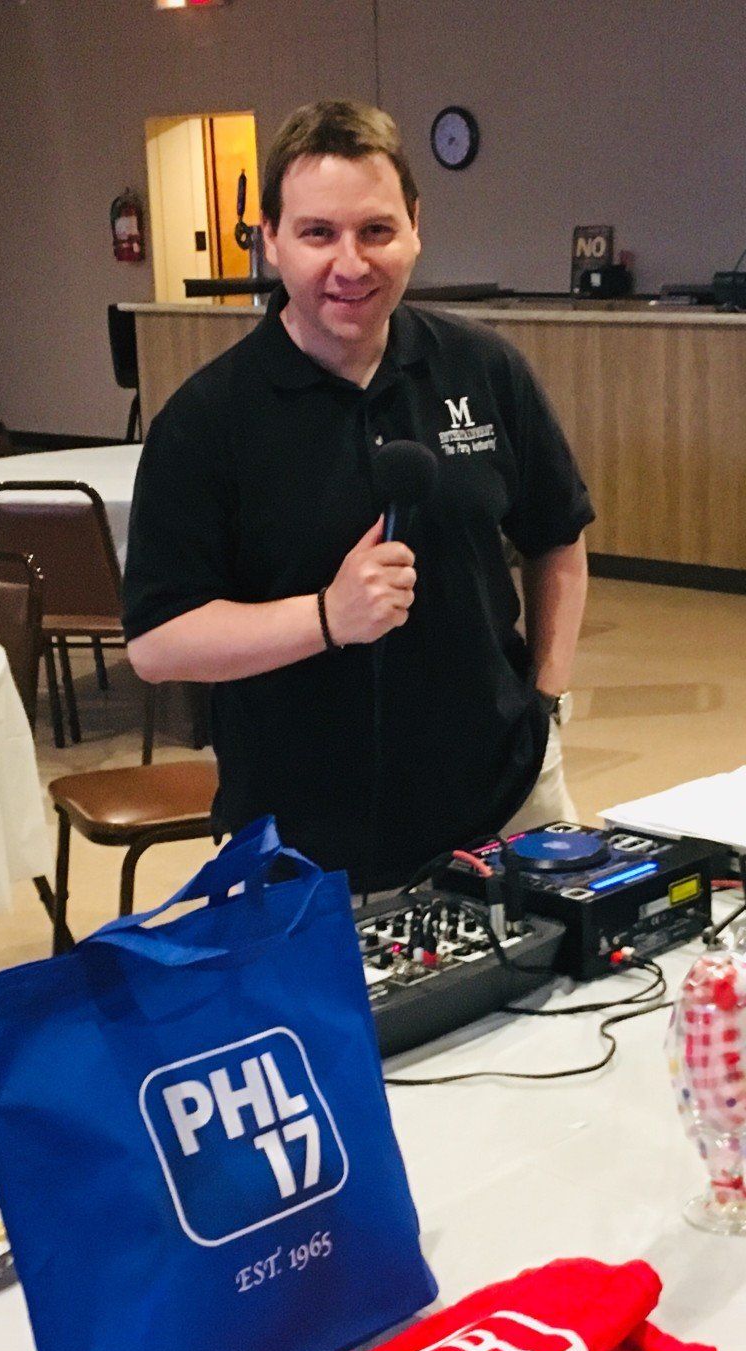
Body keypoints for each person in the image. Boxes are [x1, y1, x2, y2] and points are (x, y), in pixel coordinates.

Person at [124, 99, 593, 890]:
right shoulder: (209, 419)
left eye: (376, 230)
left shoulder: (486, 370)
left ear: (415, 224)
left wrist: (544, 700)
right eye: (317, 234)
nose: (351, 264)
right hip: (302, 831)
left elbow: (558, 538)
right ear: (269, 239)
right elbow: (157, 643)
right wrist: (325, 618)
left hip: (506, 797)